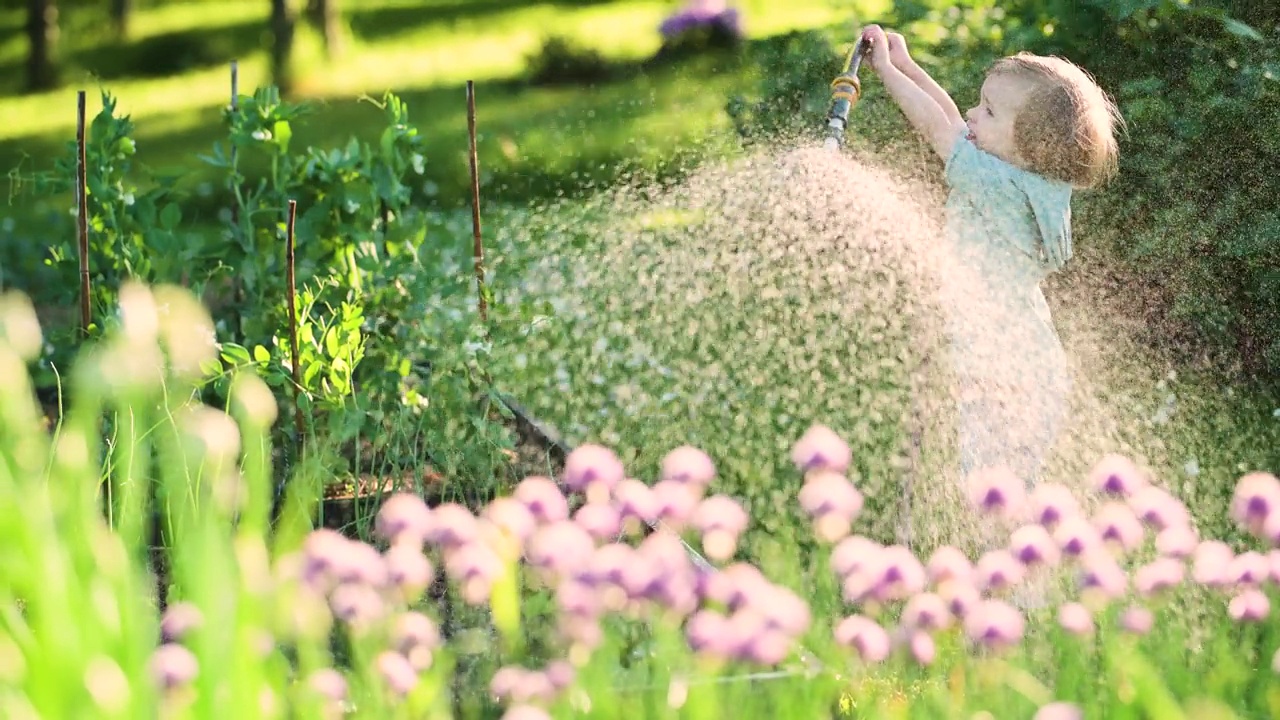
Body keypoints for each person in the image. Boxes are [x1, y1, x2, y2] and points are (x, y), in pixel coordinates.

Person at [857, 25, 1123, 489]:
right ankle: (1010, 551)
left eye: (989, 111)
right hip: (1023, 360)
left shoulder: (999, 187)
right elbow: (956, 126)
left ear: (1030, 145)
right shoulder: (1021, 176)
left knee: (991, 491)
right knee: (999, 486)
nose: (972, 113)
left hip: (1006, 370)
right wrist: (906, 63)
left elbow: (940, 129)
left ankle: (1009, 555)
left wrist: (883, 69)